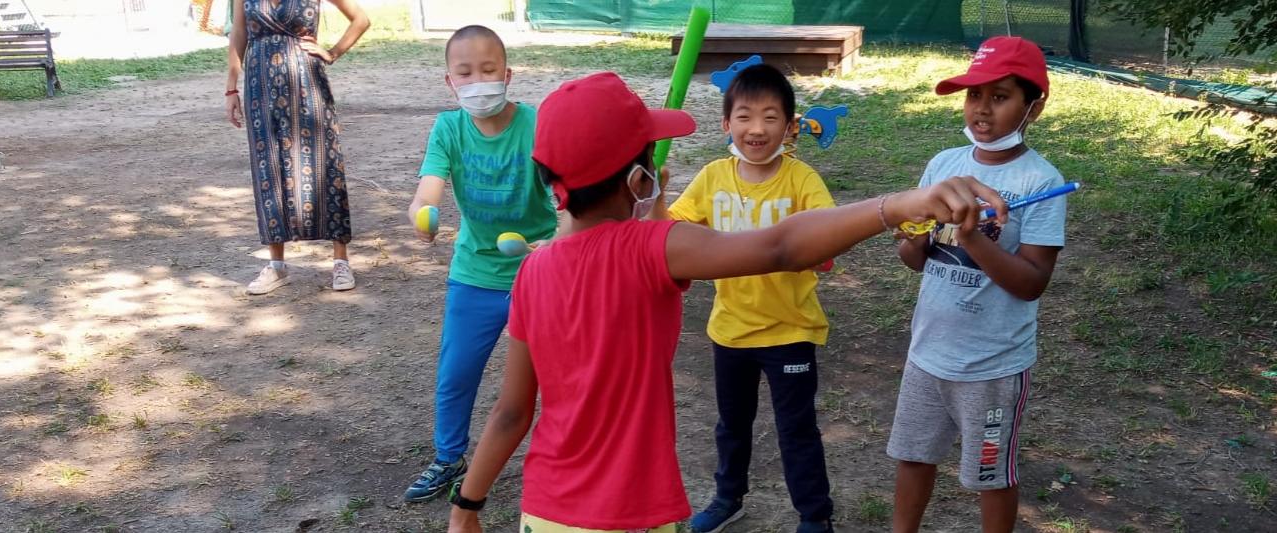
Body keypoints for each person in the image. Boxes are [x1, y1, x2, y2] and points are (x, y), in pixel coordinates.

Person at [443, 71, 1008, 533]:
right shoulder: (653, 247)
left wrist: (466, 508)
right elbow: (782, 244)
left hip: (544, 513)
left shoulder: (533, 270)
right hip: (628, 515)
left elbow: (512, 412)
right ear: (638, 176)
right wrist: (905, 201)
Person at [888, 36, 1068, 533]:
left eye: (1000, 96)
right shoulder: (943, 166)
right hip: (927, 353)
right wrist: (912, 238)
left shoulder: (1040, 182)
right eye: (973, 96)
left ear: (1035, 106)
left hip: (993, 365)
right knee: (912, 455)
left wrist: (975, 238)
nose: (981, 111)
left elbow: (1031, 283)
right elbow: (915, 259)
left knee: (990, 474)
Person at [657, 64, 837, 533]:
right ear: (726, 124)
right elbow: (669, 230)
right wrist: (654, 198)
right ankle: (728, 497)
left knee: (796, 429)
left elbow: (829, 233)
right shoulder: (714, 176)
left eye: (771, 117)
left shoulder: (801, 180)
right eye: (744, 116)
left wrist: (821, 251)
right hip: (730, 329)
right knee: (732, 424)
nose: (757, 128)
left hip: (790, 330)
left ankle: (815, 518)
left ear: (790, 125)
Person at [400, 25, 559, 503]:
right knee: (456, 373)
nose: (477, 81)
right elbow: (428, 189)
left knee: (556, 376)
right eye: (465, 73)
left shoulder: (536, 124)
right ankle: (449, 458)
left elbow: (563, 195)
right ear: (450, 81)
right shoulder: (448, 128)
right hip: (475, 273)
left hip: (542, 270)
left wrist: (556, 248)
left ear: (507, 74)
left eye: (488, 70)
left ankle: (555, 462)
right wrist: (422, 217)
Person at [226, 0, 369, 294]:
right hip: (260, 86)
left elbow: (360, 19)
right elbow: (239, 34)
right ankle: (276, 266)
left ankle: (340, 261)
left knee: (324, 163)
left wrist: (332, 53)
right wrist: (231, 88)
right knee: (269, 168)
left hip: (307, 83)